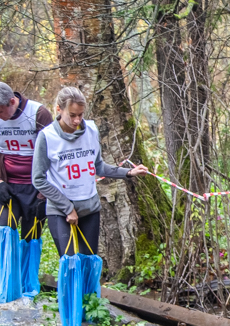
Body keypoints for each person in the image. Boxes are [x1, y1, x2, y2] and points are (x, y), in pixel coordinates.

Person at [31, 86, 147, 256]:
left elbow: (98, 167)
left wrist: (129, 172)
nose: (77, 120)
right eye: (72, 115)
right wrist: (67, 207)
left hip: (89, 208)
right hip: (61, 211)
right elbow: (38, 179)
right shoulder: (46, 137)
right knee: (69, 263)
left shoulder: (91, 130)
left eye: (80, 114)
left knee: (88, 262)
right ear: (59, 109)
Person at [0, 81, 54, 294]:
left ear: (12, 101)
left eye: (1, 112)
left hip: (34, 187)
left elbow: (52, 154)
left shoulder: (39, 114)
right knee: (4, 230)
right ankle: (8, 289)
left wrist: (44, 193)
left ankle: (27, 287)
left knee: (31, 237)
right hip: (7, 187)